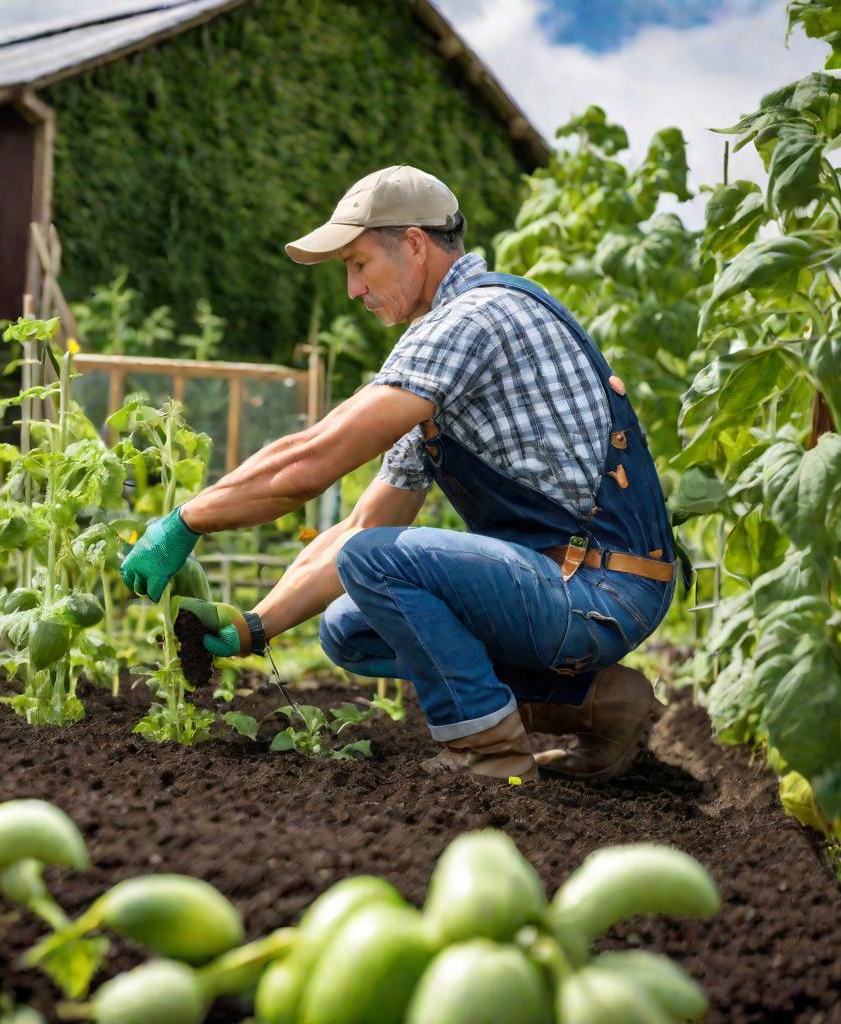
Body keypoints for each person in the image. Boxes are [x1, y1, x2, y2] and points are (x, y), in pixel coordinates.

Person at [120, 164, 676, 783]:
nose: (353, 290)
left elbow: (310, 463)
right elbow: (366, 520)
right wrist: (256, 626)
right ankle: (605, 705)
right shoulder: (441, 352)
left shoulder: (472, 319)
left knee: (376, 562)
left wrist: (186, 520)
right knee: (349, 628)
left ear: (413, 244)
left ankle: (488, 753)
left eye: (359, 264)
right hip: (563, 586)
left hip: (595, 588)